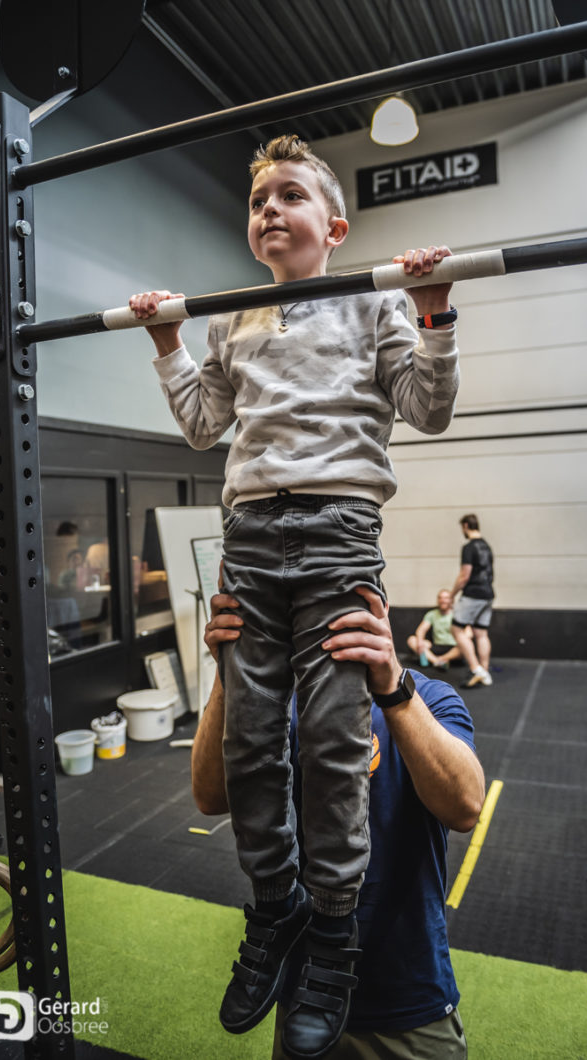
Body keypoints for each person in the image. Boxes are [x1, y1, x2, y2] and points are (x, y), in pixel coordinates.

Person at [129, 134, 460, 1057]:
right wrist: (167, 342)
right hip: (248, 538)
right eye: (257, 201)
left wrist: (434, 314)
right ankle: (275, 905)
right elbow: (204, 426)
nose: (268, 209)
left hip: (336, 533)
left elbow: (428, 408)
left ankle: (334, 935)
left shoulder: (373, 298)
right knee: (247, 737)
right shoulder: (229, 318)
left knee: (331, 738)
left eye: (288, 196)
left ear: (333, 227)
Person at [194, 587, 485, 1060]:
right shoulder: (279, 705)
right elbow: (209, 796)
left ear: (379, 612)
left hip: (407, 996)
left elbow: (466, 807)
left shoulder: (428, 696)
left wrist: (392, 689)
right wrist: (233, 674)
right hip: (305, 992)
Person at [451, 514, 494, 689]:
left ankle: (476, 669)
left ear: (466, 526)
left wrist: (452, 594)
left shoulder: (469, 547)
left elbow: (464, 576)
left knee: (456, 629)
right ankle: (485, 672)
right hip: (488, 594)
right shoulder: (486, 546)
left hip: (473, 594)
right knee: (481, 633)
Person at [406, 588, 464, 670]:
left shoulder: (458, 614)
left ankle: (440, 659)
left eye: (446, 598)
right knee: (412, 640)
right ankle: (436, 661)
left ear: (451, 600)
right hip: (436, 646)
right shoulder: (431, 614)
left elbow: (469, 632)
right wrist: (420, 642)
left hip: (454, 648)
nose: (442, 600)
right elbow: (421, 630)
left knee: (465, 646)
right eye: (440, 598)